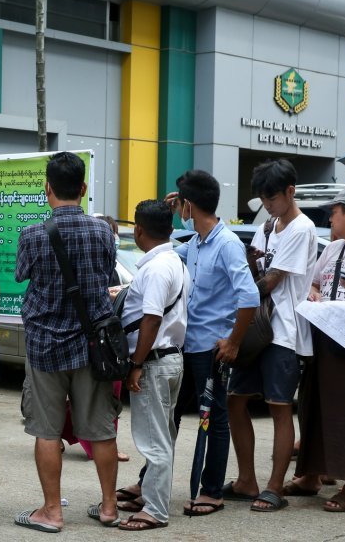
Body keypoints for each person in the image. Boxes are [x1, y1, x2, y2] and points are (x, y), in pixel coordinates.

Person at [117, 170, 259, 517]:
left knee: (215, 419)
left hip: (212, 347)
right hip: (186, 346)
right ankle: (148, 481)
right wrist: (170, 210)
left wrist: (234, 341)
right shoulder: (195, 243)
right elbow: (162, 248)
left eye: (181, 202)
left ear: (190, 205)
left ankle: (211, 491)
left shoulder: (226, 244)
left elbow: (250, 297)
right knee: (170, 418)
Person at [13, 151, 120, 532]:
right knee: (102, 429)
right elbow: (108, 276)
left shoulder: (32, 235)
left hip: (45, 347)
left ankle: (52, 512)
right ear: (84, 189)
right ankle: (109, 507)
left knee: (47, 429)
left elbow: (22, 273)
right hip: (93, 348)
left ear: (47, 189)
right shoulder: (103, 232)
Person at [227, 159, 316, 512]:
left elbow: (272, 281)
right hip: (257, 328)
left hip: (283, 331)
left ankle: (275, 486)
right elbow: (259, 272)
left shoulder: (302, 228)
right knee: (235, 400)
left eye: (272, 197)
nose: (267, 204)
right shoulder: (268, 226)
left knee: (280, 407)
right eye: (262, 198)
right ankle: (247, 480)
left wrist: (240, 293)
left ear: (290, 192)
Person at [290, 187, 345, 512]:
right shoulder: (334, 248)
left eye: (335, 211)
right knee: (314, 408)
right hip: (324, 337)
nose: (330, 218)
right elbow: (314, 282)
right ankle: (310, 475)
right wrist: (314, 294)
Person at [117, 200, 189, 531]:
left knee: (154, 439)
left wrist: (136, 363)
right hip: (169, 358)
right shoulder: (172, 260)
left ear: (139, 230)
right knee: (162, 435)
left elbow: (152, 319)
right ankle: (151, 497)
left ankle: (156, 510)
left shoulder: (158, 267)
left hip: (155, 362)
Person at [61, 214, 129, 464]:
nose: (114, 240)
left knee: (109, 397)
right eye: (111, 234)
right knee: (93, 398)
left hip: (107, 340)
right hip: (93, 340)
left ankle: (62, 432)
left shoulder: (112, 268)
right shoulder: (88, 266)